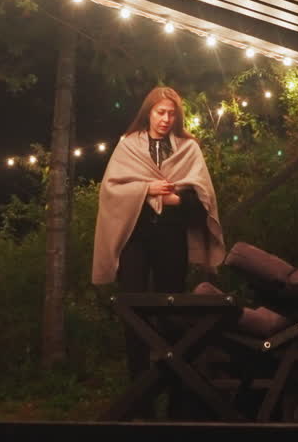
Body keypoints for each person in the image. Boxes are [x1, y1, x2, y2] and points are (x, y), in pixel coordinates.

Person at [91, 85, 225, 419]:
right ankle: (140, 399)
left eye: (171, 113)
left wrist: (171, 199)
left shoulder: (188, 148)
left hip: (171, 238)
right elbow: (110, 192)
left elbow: (202, 203)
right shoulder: (128, 146)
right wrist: (146, 189)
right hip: (134, 239)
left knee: (172, 312)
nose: (165, 119)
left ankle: (177, 398)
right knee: (134, 310)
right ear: (148, 112)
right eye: (160, 112)